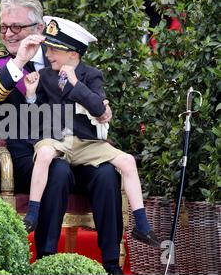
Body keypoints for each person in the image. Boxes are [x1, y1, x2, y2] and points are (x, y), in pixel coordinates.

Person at [0, 0, 124, 274]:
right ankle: (46, 262)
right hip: (24, 152)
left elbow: (91, 99)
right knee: (57, 170)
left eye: (17, 27)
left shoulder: (64, 56)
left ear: (39, 29)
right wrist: (17, 62)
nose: (9, 33)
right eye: (4, 26)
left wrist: (100, 110)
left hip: (74, 146)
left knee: (105, 172)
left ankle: (112, 265)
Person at [23, 16, 160, 248]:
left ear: (73, 54)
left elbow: (99, 109)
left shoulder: (91, 75)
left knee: (127, 161)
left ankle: (142, 225)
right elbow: (37, 116)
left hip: (86, 143)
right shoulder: (46, 76)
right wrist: (31, 95)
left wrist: (76, 84)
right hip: (57, 139)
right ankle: (32, 215)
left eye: (54, 50)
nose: (48, 55)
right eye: (48, 49)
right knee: (44, 155)